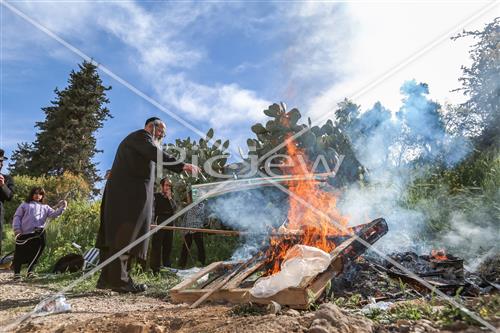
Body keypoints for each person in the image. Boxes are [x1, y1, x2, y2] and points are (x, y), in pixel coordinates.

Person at [95, 117, 199, 293]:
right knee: (128, 233)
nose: (162, 136)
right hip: (129, 197)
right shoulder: (142, 137)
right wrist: (181, 166)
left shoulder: (138, 142)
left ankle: (106, 280)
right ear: (153, 127)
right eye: (161, 132)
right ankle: (121, 281)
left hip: (124, 195)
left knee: (115, 235)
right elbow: (156, 154)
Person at [12, 187, 67, 279]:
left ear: (42, 196)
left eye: (40, 194)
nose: (38, 195)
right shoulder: (25, 205)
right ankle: (17, 273)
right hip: (24, 233)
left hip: (39, 234)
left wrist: (63, 207)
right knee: (20, 253)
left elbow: (54, 214)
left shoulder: (45, 207)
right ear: (32, 194)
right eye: (36, 193)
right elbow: (17, 216)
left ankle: (30, 272)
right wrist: (17, 229)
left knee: (36, 253)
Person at [149, 177, 177, 273]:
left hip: (170, 221)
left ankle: (167, 268)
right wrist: (152, 223)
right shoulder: (156, 196)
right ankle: (155, 269)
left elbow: (175, 209)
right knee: (157, 245)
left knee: (168, 245)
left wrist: (170, 198)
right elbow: (152, 210)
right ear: (162, 186)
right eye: (166, 185)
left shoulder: (172, 197)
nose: (168, 187)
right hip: (159, 220)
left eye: (169, 186)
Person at [178, 189, 206, 268]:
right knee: (185, 248)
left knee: (200, 246)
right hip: (188, 230)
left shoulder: (201, 205)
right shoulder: (189, 206)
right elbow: (185, 218)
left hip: (197, 229)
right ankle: (181, 265)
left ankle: (201, 263)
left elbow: (197, 213)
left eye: (189, 196)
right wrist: (183, 229)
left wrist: (192, 203)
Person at [0, 149, 15, 256]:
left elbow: (9, 196)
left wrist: (2, 185)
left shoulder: (7, 178)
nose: (0, 164)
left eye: (1, 162)